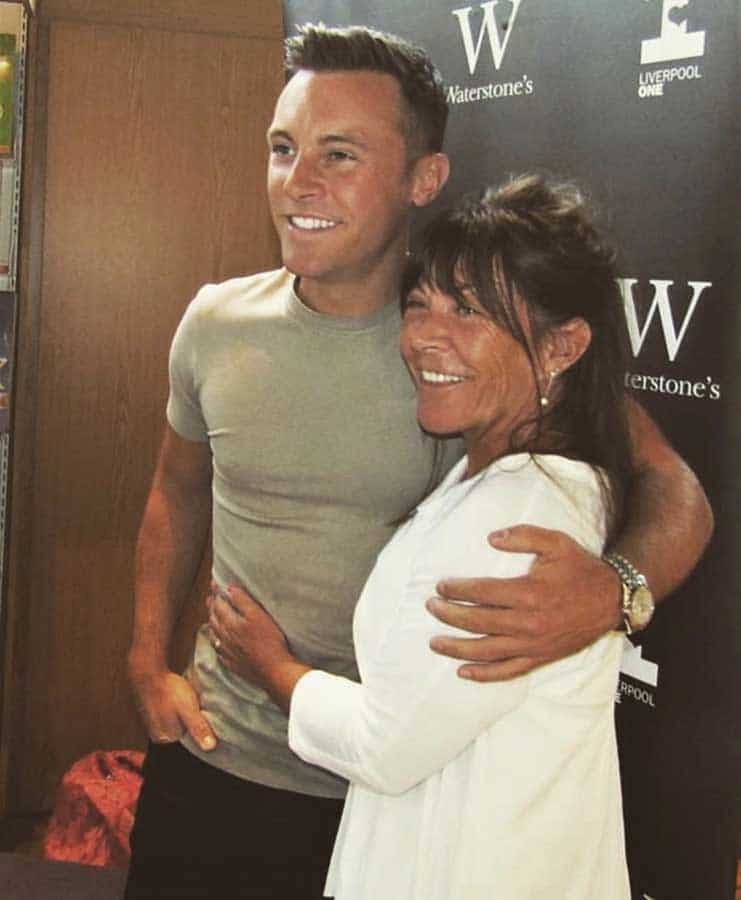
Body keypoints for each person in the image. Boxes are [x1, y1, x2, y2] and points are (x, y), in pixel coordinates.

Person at [126, 25, 711, 899]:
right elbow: (176, 491)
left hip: (387, 795)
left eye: (339, 154)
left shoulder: (484, 352)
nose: (298, 182)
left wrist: (614, 591)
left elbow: (675, 489)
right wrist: (146, 664)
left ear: (422, 178)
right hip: (217, 754)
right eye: (283, 148)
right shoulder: (215, 324)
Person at [210, 172, 633, 898]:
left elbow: (384, 745)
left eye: (468, 310)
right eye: (419, 304)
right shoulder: (505, 472)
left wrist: (271, 667)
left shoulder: (516, 520)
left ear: (562, 347)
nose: (425, 337)